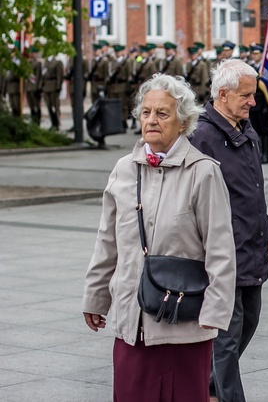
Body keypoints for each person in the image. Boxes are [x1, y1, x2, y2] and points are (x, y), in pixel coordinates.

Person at [82, 73, 236, 401]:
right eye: (147, 112)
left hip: (183, 323)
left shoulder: (203, 171)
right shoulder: (124, 168)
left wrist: (216, 312)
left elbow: (221, 250)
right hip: (130, 317)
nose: (152, 120)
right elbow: (107, 239)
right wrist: (95, 295)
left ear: (183, 122)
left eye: (163, 113)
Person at [190, 59, 268, 402]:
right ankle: (227, 396)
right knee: (227, 333)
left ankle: (209, 385)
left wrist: (266, 232)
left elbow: (253, 188)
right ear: (222, 95)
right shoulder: (201, 136)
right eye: (246, 95)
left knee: (249, 320)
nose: (253, 102)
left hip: (250, 243)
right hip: (222, 250)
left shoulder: (244, 126)